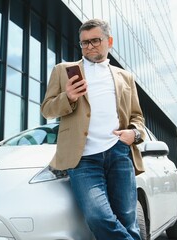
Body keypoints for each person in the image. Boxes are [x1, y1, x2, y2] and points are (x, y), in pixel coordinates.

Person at [41, 19, 145, 240]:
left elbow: (137, 116)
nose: (89, 47)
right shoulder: (64, 70)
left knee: (128, 219)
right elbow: (47, 109)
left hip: (119, 153)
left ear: (109, 41)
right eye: (84, 43)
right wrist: (67, 97)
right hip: (84, 158)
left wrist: (133, 134)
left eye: (95, 41)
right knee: (98, 217)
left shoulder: (125, 77)